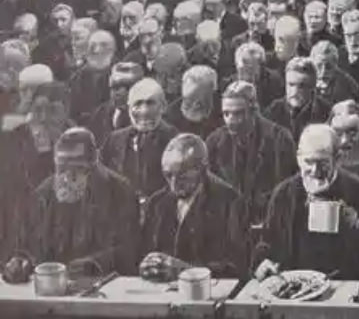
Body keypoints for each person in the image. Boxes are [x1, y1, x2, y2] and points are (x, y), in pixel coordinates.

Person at [254, 124, 359, 280]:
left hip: (343, 283)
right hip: (293, 283)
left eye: (323, 163)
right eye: (308, 162)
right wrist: (263, 261)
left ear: (337, 159)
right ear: (298, 158)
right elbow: (268, 241)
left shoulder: (357, 189)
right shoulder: (284, 194)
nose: (315, 171)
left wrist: (356, 224)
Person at [10, 128, 138, 277]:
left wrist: (96, 264)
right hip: (50, 285)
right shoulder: (43, 194)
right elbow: (28, 245)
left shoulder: (120, 191)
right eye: (62, 168)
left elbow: (131, 249)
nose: (66, 178)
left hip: (103, 285)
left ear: (93, 167)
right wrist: (21, 261)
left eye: (76, 169)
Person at [140, 133, 246, 279]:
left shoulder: (230, 202)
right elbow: (142, 253)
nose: (173, 185)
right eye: (168, 175)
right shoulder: (156, 202)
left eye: (182, 177)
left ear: (203, 170)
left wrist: (186, 270)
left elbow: (238, 266)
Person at [205, 81, 296, 223]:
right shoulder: (214, 142)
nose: (231, 120)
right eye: (226, 114)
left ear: (254, 110)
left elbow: (287, 190)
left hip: (269, 219)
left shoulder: (280, 139)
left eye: (238, 113)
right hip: (228, 222)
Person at [101, 78, 180, 198]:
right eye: (137, 104)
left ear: (163, 106)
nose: (144, 111)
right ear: (128, 108)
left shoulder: (176, 140)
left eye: (150, 103)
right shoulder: (115, 139)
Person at [264, 57, 332, 142]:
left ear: (313, 87)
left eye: (301, 86)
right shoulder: (272, 111)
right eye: (291, 84)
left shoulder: (326, 112)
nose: (295, 91)